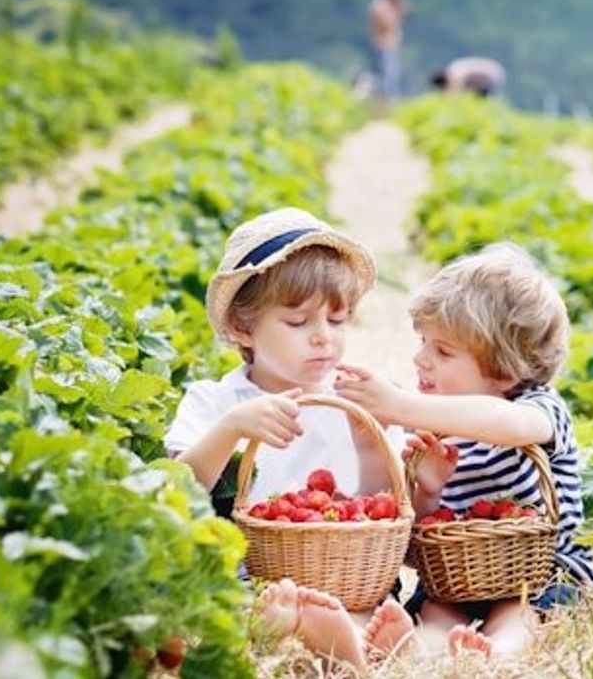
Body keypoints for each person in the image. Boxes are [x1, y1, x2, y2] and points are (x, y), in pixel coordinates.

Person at [164, 207, 416, 670]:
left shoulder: (352, 400)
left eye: (337, 322)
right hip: (251, 577)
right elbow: (179, 491)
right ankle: (321, 632)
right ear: (243, 327)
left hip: (346, 572)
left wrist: (367, 442)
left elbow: (378, 507)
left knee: (361, 599)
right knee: (237, 606)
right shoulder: (215, 401)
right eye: (299, 323)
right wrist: (231, 429)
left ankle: (349, 636)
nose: (323, 339)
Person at [335, 242, 593, 660]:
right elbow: (419, 539)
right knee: (439, 607)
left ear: (504, 371)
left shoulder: (539, 407)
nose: (420, 359)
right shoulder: (434, 429)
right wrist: (429, 491)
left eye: (443, 351)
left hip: (540, 568)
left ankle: (498, 652)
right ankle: (419, 649)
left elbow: (509, 427)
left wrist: (402, 406)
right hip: (461, 573)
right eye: (423, 342)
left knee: (520, 610)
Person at [368, 0, 408, 105]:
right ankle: (386, 102)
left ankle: (388, 101)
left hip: (390, 45)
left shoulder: (388, 5)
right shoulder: (380, 5)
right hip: (383, 45)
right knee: (387, 75)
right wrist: (396, 9)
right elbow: (387, 23)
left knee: (391, 74)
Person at [430, 56, 507, 98]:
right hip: (492, 73)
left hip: (490, 76)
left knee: (481, 98)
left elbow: (456, 90)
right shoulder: (455, 67)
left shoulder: (454, 72)